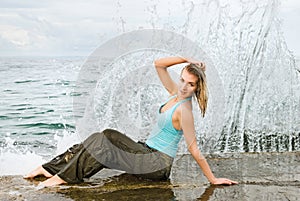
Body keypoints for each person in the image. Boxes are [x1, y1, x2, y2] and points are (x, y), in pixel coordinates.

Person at [24, 56, 238, 186]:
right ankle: (50, 168)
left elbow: (194, 150)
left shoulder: (185, 110)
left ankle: (62, 178)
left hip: (157, 165)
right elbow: (159, 65)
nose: (184, 86)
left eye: (190, 84)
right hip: (146, 153)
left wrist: (213, 180)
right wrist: (186, 59)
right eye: (182, 80)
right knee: (102, 137)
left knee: (105, 141)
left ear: (197, 88)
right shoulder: (175, 93)